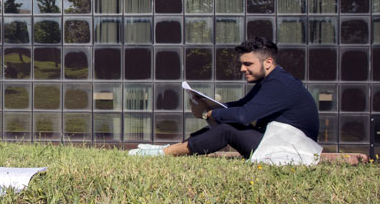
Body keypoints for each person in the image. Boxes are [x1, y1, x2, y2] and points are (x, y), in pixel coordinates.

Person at [131, 37, 319, 158]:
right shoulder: (271, 80)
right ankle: (170, 148)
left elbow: (244, 116)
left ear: (268, 62)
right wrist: (207, 104)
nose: (242, 69)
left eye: (248, 64)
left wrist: (208, 113)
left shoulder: (281, 83)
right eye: (241, 64)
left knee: (228, 128)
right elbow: (241, 105)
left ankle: (165, 153)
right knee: (227, 123)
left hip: (293, 152)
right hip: (279, 143)